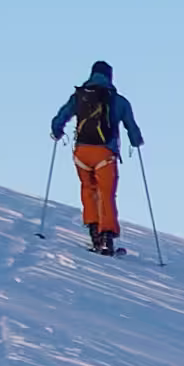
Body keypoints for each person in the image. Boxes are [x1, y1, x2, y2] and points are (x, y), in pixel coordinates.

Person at [50, 61, 141, 254]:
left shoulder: (80, 96)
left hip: (82, 152)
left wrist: (57, 131)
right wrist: (136, 141)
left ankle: (94, 235)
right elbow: (131, 127)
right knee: (106, 194)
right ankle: (107, 238)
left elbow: (62, 116)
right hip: (104, 154)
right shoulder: (118, 101)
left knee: (88, 190)